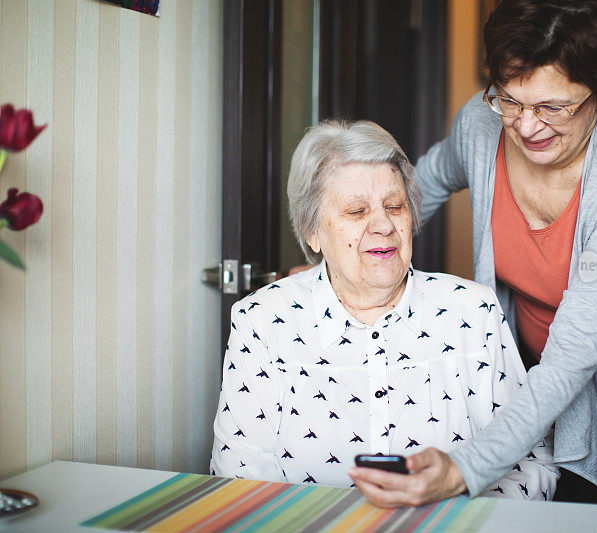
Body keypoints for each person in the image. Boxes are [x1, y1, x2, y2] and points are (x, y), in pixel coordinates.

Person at [347, 0, 597, 529]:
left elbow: (576, 350)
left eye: (552, 108)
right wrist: (352, 255)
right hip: (547, 365)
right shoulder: (481, 122)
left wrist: (464, 468)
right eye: (510, 101)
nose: (527, 126)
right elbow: (428, 181)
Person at [210, 119, 558, 500]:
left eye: (395, 206)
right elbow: (239, 479)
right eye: (357, 211)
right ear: (312, 231)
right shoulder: (261, 321)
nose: (383, 225)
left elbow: (529, 465)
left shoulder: (473, 313)